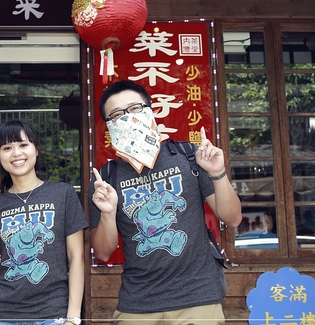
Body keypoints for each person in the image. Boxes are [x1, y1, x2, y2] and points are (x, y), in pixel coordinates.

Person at [89, 80, 242, 324]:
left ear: (150, 112)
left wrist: (217, 173)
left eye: (135, 109)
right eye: (117, 115)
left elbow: (233, 218)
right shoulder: (106, 178)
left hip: (197, 298)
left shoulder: (188, 156)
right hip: (137, 303)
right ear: (109, 126)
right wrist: (108, 212)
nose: (128, 118)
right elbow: (103, 253)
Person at [0, 120, 88, 325]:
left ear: (36, 149)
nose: (16, 153)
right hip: (1, 316)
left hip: (52, 314)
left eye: (23, 145)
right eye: (7, 148)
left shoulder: (63, 194)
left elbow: (76, 257)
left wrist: (73, 317)